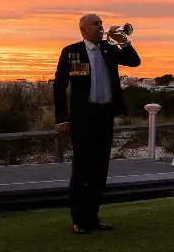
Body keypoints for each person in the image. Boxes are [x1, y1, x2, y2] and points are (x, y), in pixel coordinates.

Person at [53, 13, 141, 234]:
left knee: (100, 171)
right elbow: (59, 86)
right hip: (83, 119)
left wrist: (125, 42)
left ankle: (93, 217)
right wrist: (62, 118)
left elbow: (134, 62)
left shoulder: (109, 49)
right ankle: (78, 219)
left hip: (105, 117)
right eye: (96, 24)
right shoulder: (72, 52)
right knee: (82, 169)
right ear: (83, 30)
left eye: (101, 23)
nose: (101, 27)